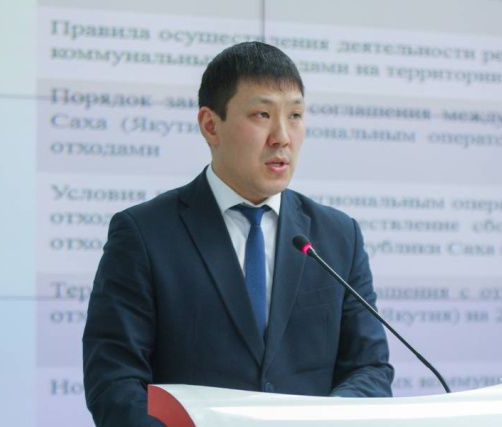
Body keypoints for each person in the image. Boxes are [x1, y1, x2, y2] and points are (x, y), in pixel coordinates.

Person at [83, 41, 393, 426]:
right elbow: (114, 380)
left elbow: (369, 368)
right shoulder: (145, 234)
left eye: (295, 115)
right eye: (262, 114)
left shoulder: (338, 236)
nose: (282, 137)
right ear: (211, 125)